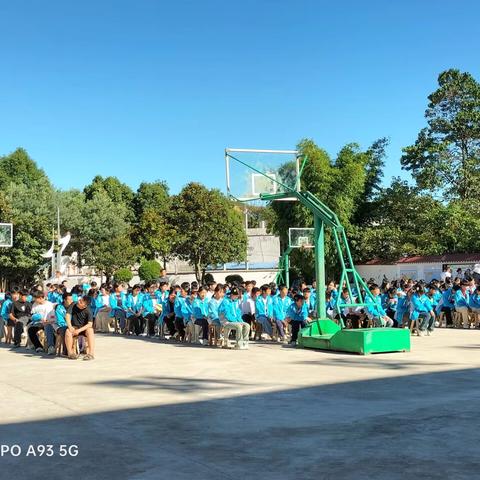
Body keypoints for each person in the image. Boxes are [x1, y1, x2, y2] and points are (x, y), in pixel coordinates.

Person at [65, 295, 95, 360]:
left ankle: (91, 354)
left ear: (85, 306)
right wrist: (70, 326)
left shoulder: (88, 310)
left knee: (90, 330)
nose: (79, 302)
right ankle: (70, 353)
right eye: (79, 300)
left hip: (84, 328)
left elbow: (90, 324)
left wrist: (79, 330)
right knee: (68, 331)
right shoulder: (73, 304)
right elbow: (67, 315)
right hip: (74, 327)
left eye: (81, 302)